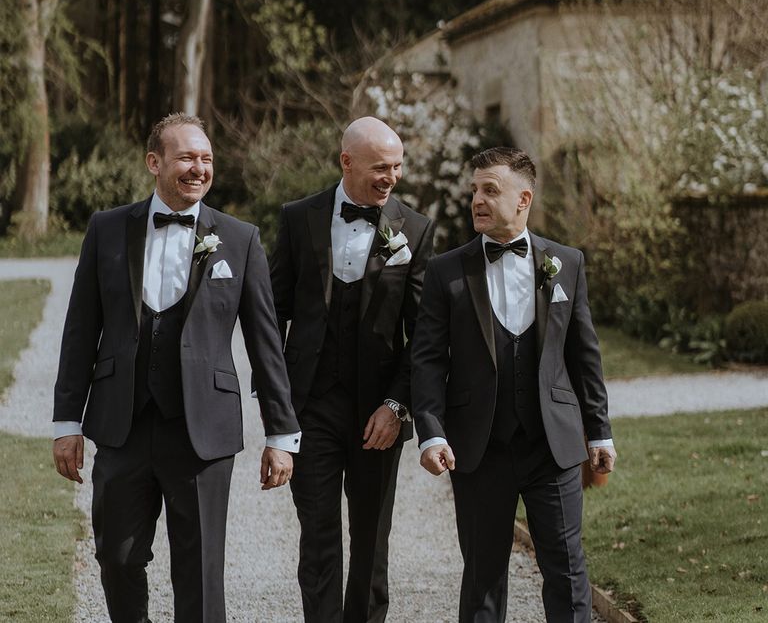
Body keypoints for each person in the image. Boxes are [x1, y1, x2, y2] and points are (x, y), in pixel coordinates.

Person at [52, 113, 300, 623]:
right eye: (186, 157)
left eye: (206, 159)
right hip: (123, 425)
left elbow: (265, 343)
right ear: (154, 162)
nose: (198, 168)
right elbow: (80, 332)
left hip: (203, 431)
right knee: (116, 558)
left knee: (201, 572)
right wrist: (66, 424)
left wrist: (282, 433)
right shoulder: (106, 230)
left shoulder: (239, 238)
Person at [411, 146, 616, 623]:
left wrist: (599, 431)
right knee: (482, 577)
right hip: (478, 450)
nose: (477, 201)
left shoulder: (566, 262)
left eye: (490, 190)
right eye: (474, 191)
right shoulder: (446, 271)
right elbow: (425, 359)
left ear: (524, 199)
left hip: (554, 447)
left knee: (567, 572)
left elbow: (584, 356)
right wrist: (432, 432)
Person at [269, 116, 435, 622]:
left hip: (378, 411)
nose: (392, 177)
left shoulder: (416, 228)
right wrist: (279, 408)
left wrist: (397, 405)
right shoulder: (299, 218)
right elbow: (272, 314)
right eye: (381, 167)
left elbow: (424, 335)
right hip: (312, 407)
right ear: (346, 162)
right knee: (317, 535)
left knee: (370, 538)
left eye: (398, 168)